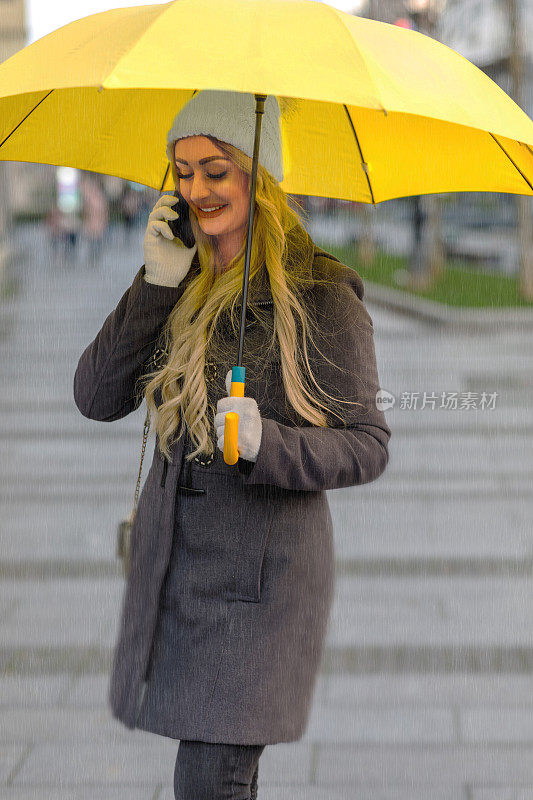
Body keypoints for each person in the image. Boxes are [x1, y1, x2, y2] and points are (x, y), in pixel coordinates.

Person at [73, 90, 391, 799]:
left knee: (210, 778)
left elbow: (367, 445)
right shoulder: (177, 279)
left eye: (215, 169)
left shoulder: (321, 295)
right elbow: (96, 398)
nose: (195, 190)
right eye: (182, 171)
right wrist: (155, 280)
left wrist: (267, 442)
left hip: (258, 586)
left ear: (259, 174)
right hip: (176, 574)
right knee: (220, 777)